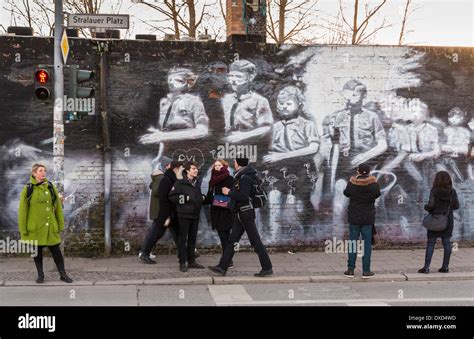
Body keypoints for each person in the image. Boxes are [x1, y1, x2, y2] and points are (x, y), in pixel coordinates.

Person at [208, 156, 273, 277]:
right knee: (232, 241)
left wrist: (229, 192)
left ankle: (267, 267)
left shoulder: (245, 177)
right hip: (240, 213)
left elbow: (243, 196)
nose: (234, 163)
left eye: (235, 162)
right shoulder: (242, 176)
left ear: (238, 164)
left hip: (245, 213)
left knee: (255, 241)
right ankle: (222, 267)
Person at [18, 163, 73, 283]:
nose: (43, 173)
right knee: (37, 252)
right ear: (34, 173)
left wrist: (60, 224)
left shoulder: (50, 186)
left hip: (50, 227)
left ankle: (63, 274)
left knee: (56, 251)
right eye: (40, 171)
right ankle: (40, 275)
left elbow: (57, 207)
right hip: (35, 228)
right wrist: (23, 229)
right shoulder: (28, 188)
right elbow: (23, 211)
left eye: (44, 171)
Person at [139, 67, 209, 144]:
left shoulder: (194, 101)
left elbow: (202, 131)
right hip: (165, 148)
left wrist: (163, 136)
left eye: (177, 80)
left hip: (189, 148)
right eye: (170, 80)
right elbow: (164, 128)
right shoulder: (164, 102)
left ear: (188, 83)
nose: (171, 83)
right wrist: (157, 134)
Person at [342, 163, 381, 279]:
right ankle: (366, 271)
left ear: (358, 172)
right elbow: (377, 194)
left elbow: (346, 193)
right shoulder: (373, 185)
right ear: (369, 172)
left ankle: (350, 270)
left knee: (353, 243)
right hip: (367, 218)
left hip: (354, 217)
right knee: (367, 245)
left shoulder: (352, 183)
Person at [139, 157, 181, 264]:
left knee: (177, 232)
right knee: (156, 232)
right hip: (161, 211)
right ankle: (144, 253)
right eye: (170, 165)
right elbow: (157, 192)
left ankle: (185, 252)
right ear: (167, 166)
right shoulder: (162, 177)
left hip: (167, 210)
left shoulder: (163, 177)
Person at [221, 60, 273, 143]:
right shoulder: (226, 99)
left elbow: (266, 127)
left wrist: (243, 136)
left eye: (238, 76)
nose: (233, 80)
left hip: (250, 145)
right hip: (228, 146)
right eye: (231, 76)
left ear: (250, 78)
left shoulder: (259, 101)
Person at [418, 171, 459, 274]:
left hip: (434, 220)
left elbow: (431, 205)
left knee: (431, 243)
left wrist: (426, 207)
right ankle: (445, 267)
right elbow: (457, 206)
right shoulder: (452, 192)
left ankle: (426, 267)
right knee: (446, 243)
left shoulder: (434, 191)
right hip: (447, 220)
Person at [169, 161, 206, 272]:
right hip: (184, 215)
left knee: (193, 239)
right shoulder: (180, 182)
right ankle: (182, 262)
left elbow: (197, 195)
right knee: (182, 239)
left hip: (195, 214)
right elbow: (171, 196)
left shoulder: (197, 181)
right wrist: (184, 198)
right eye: (194, 168)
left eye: (197, 168)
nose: (196, 170)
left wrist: (201, 198)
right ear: (188, 170)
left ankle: (191, 261)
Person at [204, 159, 235, 268]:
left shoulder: (229, 179)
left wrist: (223, 196)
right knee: (224, 236)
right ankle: (228, 259)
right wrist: (200, 201)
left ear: (224, 166)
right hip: (216, 211)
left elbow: (232, 195)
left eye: (219, 165)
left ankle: (227, 261)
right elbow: (209, 196)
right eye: (215, 165)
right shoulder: (212, 181)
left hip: (225, 212)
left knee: (224, 236)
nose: (217, 167)